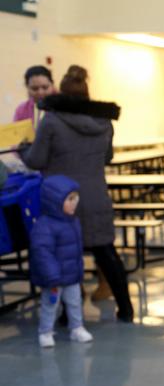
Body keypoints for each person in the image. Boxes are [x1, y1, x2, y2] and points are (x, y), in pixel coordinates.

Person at [22, 65, 135, 323]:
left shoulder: (51, 120)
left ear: (60, 93)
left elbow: (36, 160)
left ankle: (65, 315)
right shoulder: (104, 121)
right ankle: (126, 308)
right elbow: (107, 156)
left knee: (63, 255)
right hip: (95, 196)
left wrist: (25, 148)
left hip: (62, 199)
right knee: (106, 253)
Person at [30, 175, 93, 347]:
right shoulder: (44, 225)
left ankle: (77, 328)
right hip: (54, 278)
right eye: (69, 199)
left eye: (76, 197)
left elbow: (75, 249)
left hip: (71, 275)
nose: (74, 202)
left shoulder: (73, 221)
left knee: (75, 302)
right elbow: (42, 252)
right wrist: (51, 275)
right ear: (54, 201)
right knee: (50, 305)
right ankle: (45, 332)